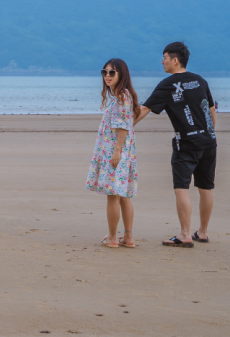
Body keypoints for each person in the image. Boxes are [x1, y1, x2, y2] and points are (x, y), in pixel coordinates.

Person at [134, 42, 216, 248]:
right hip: (209, 142)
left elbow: (145, 109)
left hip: (186, 143)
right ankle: (203, 232)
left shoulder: (168, 84)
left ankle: (185, 234)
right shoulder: (200, 81)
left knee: (181, 187)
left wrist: (124, 126)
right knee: (205, 187)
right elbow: (211, 109)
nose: (162, 62)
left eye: (164, 58)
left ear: (175, 60)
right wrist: (210, 134)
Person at [86, 59, 140, 248]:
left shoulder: (122, 96)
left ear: (121, 74)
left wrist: (117, 150)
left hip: (116, 151)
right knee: (123, 194)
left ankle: (112, 238)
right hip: (120, 150)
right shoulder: (122, 95)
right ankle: (128, 237)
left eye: (112, 72)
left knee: (113, 195)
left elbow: (123, 125)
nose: (107, 76)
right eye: (105, 72)